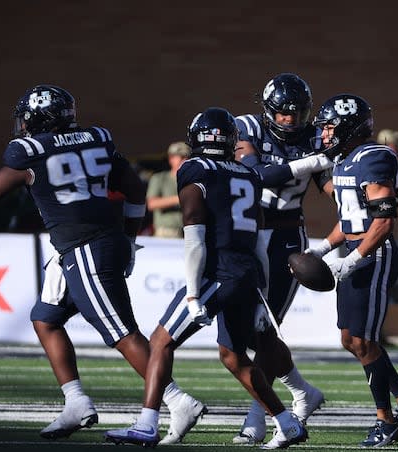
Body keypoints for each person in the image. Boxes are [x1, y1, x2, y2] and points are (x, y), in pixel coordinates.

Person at [0, 85, 204, 442]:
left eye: (27, 118)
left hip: (85, 246)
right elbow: (135, 189)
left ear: (40, 120)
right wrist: (129, 237)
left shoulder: (28, 151)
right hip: (92, 242)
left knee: (121, 332)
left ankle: (177, 399)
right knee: (45, 318)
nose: (23, 125)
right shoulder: (96, 138)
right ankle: (76, 402)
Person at [104, 107, 308, 449]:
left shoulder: (194, 169)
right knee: (233, 356)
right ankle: (287, 423)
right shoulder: (246, 173)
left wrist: (194, 293)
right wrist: (261, 291)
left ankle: (146, 424)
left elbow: (195, 236)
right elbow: (260, 240)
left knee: (160, 341)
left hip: (218, 271)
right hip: (246, 274)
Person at [306, 93, 398, 447]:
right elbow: (350, 219)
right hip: (355, 250)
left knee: (363, 340)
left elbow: (383, 221)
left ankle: (386, 419)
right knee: (350, 339)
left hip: (374, 255)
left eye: (330, 127)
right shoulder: (345, 162)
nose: (325, 134)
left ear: (348, 127)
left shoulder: (375, 156)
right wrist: (324, 247)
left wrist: (353, 258)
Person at [231, 73, 331, 444]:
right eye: (284, 113)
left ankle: (257, 414)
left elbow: (331, 186)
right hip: (247, 232)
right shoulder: (248, 127)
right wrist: (315, 160)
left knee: (266, 327)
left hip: (287, 236)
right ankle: (303, 391)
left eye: (298, 113)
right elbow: (257, 174)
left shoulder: (315, 135)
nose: (290, 120)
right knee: (247, 329)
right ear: (269, 110)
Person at [145, 141, 190, 238]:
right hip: (167, 231)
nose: (184, 160)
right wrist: (180, 198)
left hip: (190, 231)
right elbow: (152, 204)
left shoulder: (193, 180)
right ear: (171, 159)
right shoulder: (160, 178)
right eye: (181, 157)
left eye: (187, 157)